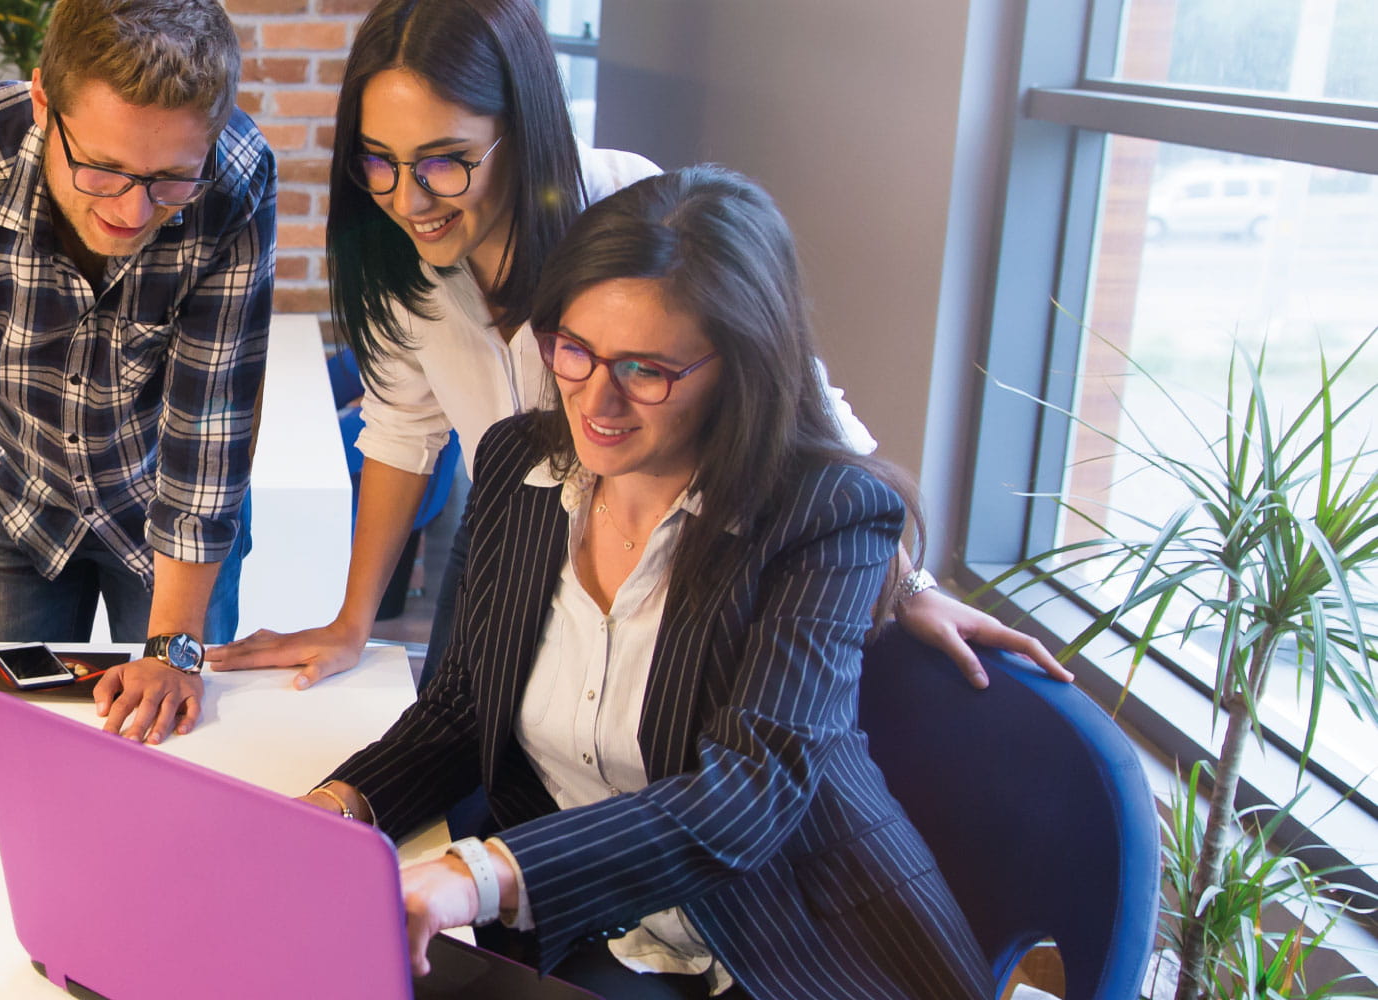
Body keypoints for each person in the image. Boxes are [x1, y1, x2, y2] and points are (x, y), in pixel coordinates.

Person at [205, 0, 1067, 690]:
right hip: (520, 550)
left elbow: (798, 412)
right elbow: (402, 434)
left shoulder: (640, 214)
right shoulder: (409, 267)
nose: (408, 197)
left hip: (671, 571)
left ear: (524, 129)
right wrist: (354, 622)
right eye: (378, 161)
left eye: (444, 161)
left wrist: (908, 583)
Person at [304, 165, 995, 999]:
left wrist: (478, 873)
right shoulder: (522, 464)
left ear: (740, 369)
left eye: (646, 371)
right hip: (602, 921)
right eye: (575, 350)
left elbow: (748, 788)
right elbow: (461, 710)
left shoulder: (828, 516)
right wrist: (338, 809)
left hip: (788, 937)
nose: (597, 400)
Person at [0, 0, 277, 745]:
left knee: (177, 749)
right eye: (102, 168)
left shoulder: (235, 180)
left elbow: (210, 426)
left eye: (170, 179)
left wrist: (171, 651)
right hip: (13, 505)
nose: (134, 211)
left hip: (166, 510)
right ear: (44, 102)